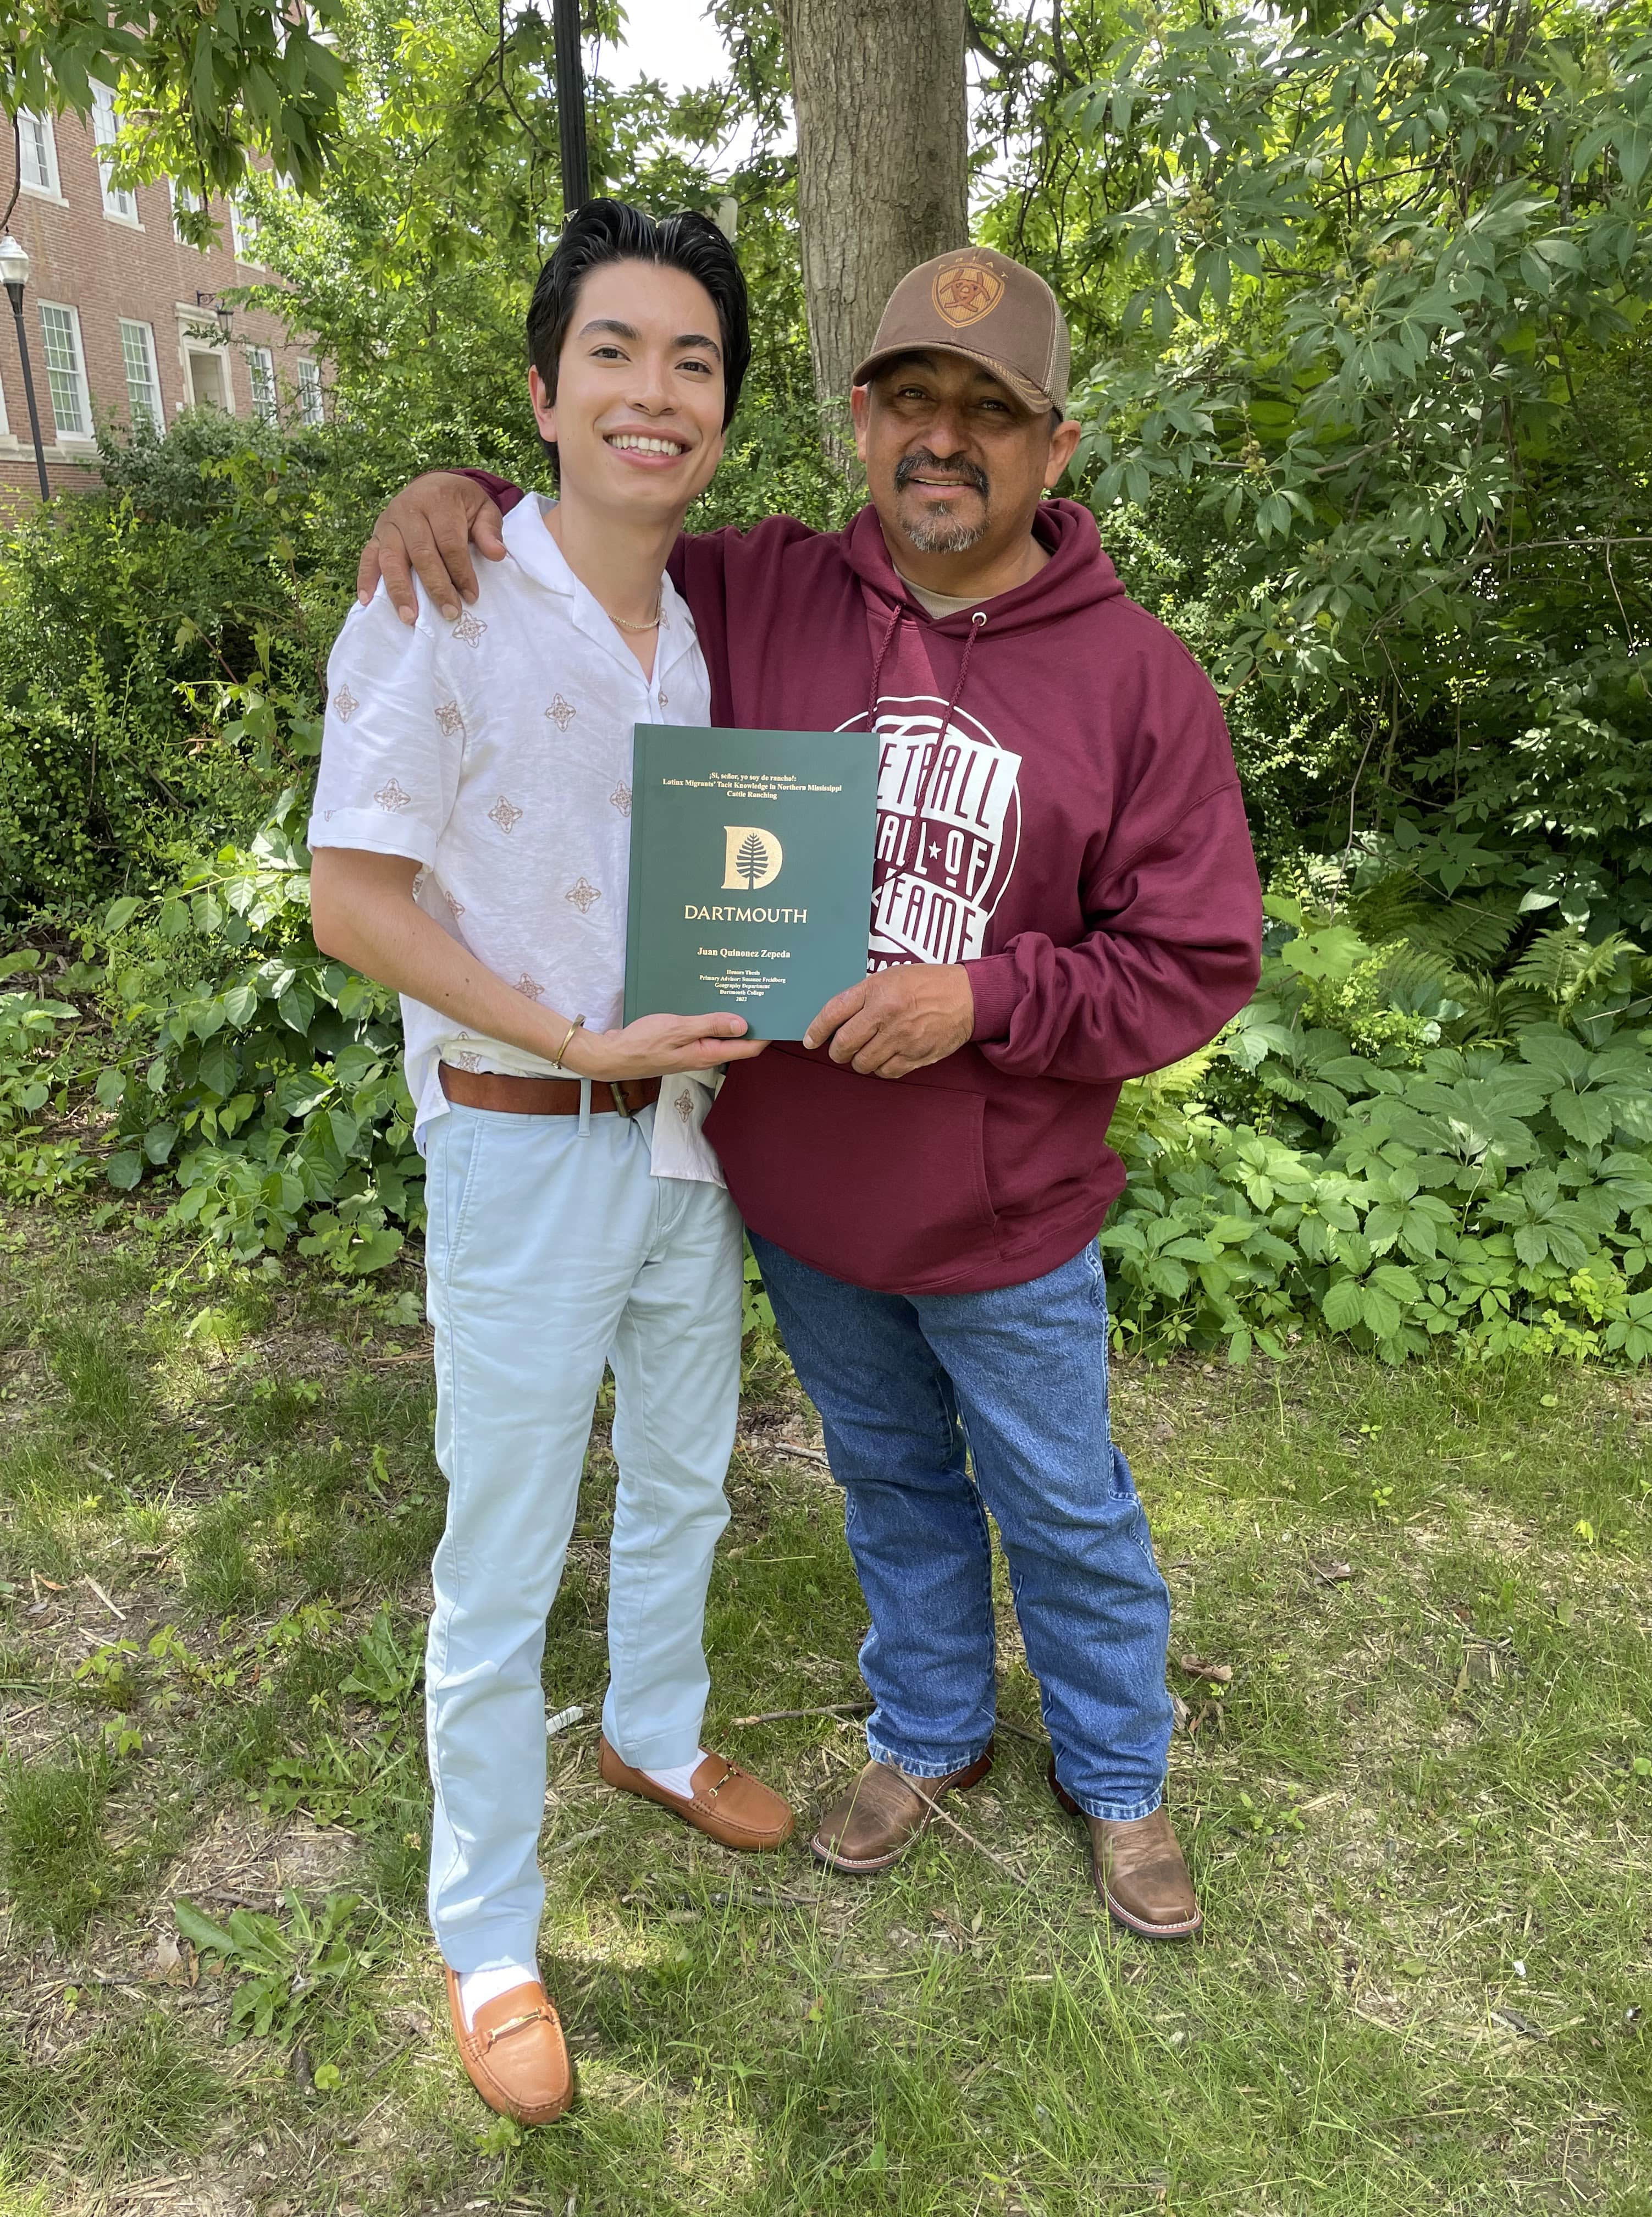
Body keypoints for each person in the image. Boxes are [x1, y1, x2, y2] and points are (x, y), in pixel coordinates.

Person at [357, 243, 1263, 1940]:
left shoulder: (1141, 679)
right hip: (804, 1198)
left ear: (1055, 450)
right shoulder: (760, 589)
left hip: (1009, 1212)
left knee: (1064, 1501)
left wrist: (984, 999)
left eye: (992, 412)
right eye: (914, 399)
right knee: (896, 1484)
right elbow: (593, 525)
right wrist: (457, 488)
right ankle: (928, 1733)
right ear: (860, 422)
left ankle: (1121, 1772)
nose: (947, 438)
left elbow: (1197, 962)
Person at [308, 200, 794, 2131]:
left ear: (724, 413)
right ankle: (487, 1934)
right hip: (521, 1142)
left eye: (691, 362)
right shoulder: (437, 590)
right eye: (615, 353)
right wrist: (570, 1036)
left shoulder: (703, 626)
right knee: (499, 1564)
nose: (653, 393)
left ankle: (656, 1739)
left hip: (688, 1147)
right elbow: (353, 898)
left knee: (685, 1472)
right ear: (543, 388)